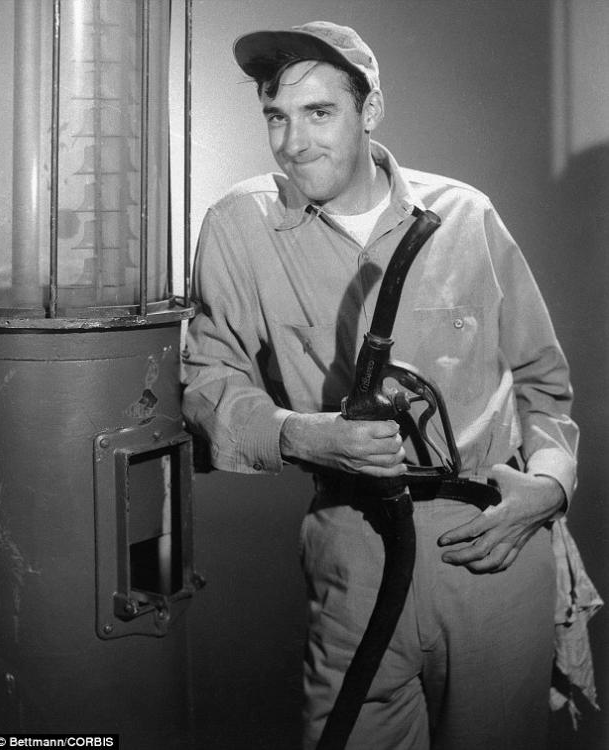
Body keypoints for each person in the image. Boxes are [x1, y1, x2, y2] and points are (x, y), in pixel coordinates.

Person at [182, 21, 579, 750]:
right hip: (352, 546)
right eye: (276, 116)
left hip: (490, 541)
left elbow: (541, 382)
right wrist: (304, 435)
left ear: (371, 110)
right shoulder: (240, 224)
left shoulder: (463, 215)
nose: (293, 142)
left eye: (319, 113)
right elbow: (209, 379)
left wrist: (550, 486)